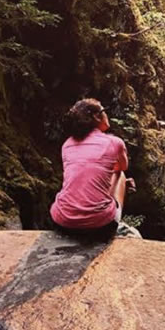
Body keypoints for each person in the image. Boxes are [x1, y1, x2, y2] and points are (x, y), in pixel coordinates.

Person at [50, 98, 135, 239]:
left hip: (62, 222)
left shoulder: (67, 145)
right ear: (97, 117)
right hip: (100, 227)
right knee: (120, 174)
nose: (107, 115)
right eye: (104, 111)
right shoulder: (114, 142)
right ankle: (105, 212)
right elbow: (122, 167)